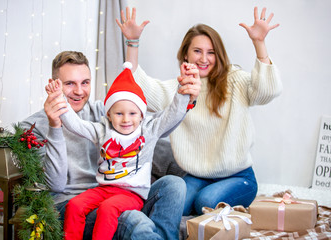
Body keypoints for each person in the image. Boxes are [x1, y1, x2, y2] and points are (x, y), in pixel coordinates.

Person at [117, 6, 283, 215]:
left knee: (205, 201)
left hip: (239, 177)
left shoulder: (234, 81)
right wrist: (133, 43)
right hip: (197, 176)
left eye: (211, 52)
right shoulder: (178, 90)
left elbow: (267, 91)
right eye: (197, 51)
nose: (204, 58)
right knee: (173, 206)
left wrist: (259, 43)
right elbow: (135, 86)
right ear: (185, 54)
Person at [20, 50, 200, 239]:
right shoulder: (32, 127)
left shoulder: (104, 110)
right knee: (131, 219)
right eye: (69, 84)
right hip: (72, 203)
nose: (79, 91)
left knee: (174, 185)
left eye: (85, 82)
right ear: (54, 84)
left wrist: (185, 98)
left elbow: (157, 124)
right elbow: (55, 185)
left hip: (123, 193)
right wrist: (55, 125)